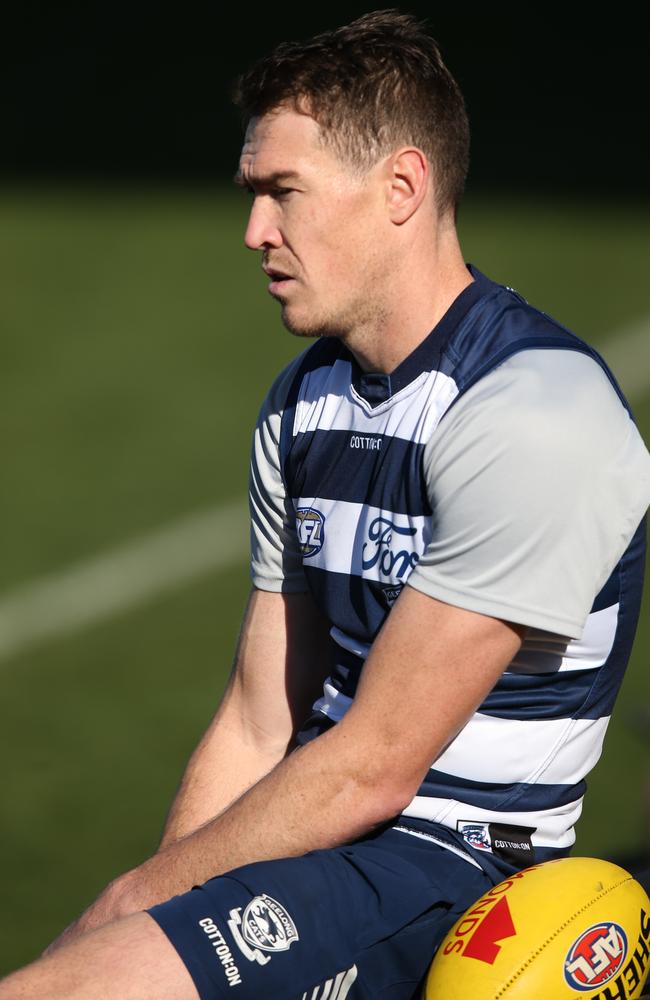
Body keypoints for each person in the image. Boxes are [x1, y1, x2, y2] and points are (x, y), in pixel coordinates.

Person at [2, 9, 650, 1000]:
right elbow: (257, 724)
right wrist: (157, 907)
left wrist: (134, 904)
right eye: (252, 193)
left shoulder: (531, 412)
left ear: (399, 188)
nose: (255, 229)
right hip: (317, 844)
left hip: (449, 870)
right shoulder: (303, 403)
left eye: (282, 192)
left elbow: (376, 766)